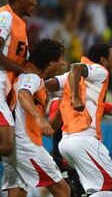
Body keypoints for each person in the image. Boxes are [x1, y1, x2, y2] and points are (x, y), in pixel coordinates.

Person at [45, 72, 112, 197]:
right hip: (65, 161)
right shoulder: (57, 102)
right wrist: (63, 106)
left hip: (81, 154)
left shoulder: (89, 100)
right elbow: (52, 128)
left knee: (100, 192)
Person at [1, 39, 70, 197]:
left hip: (16, 147)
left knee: (17, 192)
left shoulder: (33, 81)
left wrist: (61, 108)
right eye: (61, 59)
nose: (63, 64)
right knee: (63, 190)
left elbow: (48, 130)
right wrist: (39, 119)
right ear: (51, 63)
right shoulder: (31, 78)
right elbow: (23, 95)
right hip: (26, 146)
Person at [57, 43, 112, 197]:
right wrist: (74, 98)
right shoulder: (101, 71)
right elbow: (76, 67)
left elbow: (49, 84)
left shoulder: (72, 79)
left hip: (66, 142)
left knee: (102, 193)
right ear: (103, 60)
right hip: (84, 139)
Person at [0, 0, 38, 157]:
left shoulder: (20, 24)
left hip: (6, 87)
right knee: (7, 146)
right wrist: (23, 70)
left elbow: (23, 62)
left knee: (10, 149)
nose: (35, 2)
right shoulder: (5, 16)